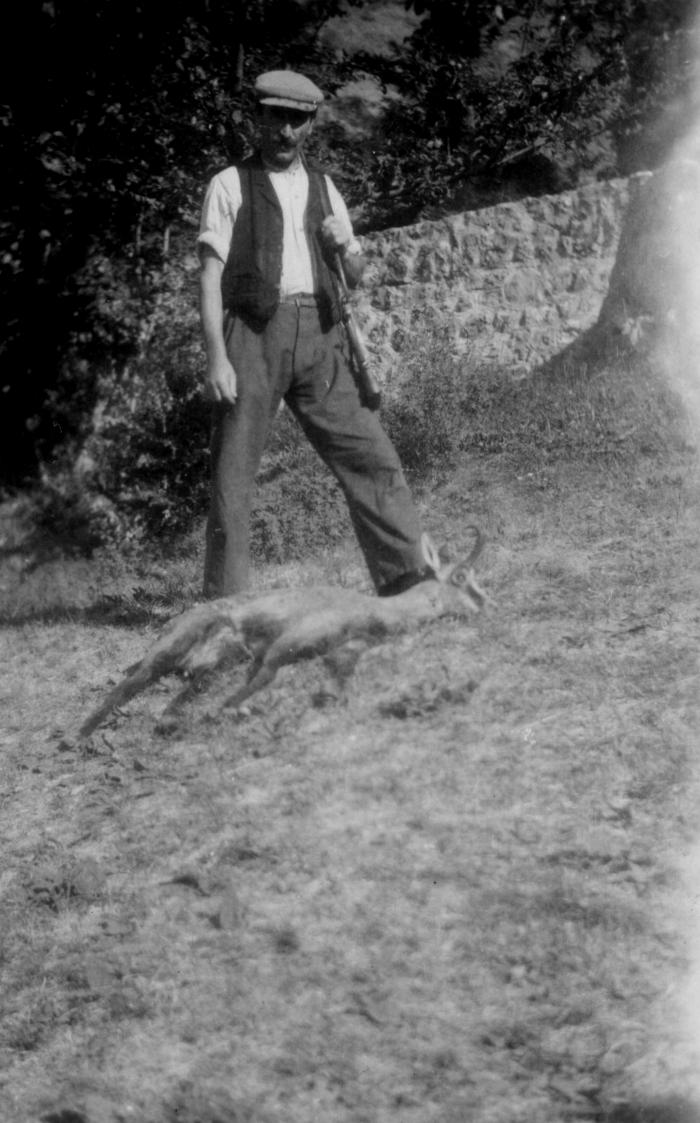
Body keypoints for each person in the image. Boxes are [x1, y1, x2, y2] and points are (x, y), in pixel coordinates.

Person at [197, 69, 436, 598]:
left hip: (324, 335)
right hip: (253, 336)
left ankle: (409, 579)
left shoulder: (326, 187)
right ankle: (225, 606)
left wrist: (347, 246)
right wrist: (217, 357)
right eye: (276, 118)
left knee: (369, 452)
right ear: (258, 118)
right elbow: (209, 277)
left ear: (310, 126)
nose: (285, 132)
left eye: (297, 121)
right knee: (233, 475)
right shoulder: (229, 184)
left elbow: (356, 275)